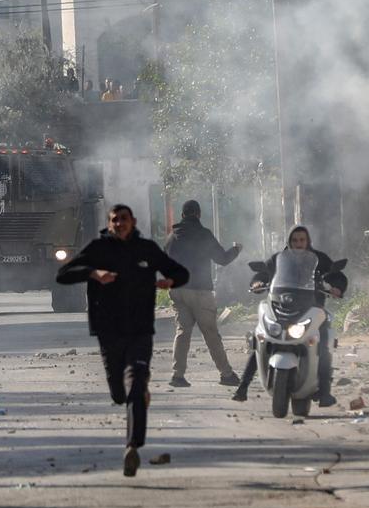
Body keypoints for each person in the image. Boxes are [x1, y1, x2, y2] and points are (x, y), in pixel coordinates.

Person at [56, 204, 189, 476]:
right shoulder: (98, 248)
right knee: (119, 394)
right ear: (109, 223)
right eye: (115, 220)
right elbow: (63, 275)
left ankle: (132, 446)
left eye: (124, 220)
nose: (120, 224)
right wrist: (94, 273)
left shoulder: (147, 249)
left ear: (133, 221)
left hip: (140, 330)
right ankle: (135, 399)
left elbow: (180, 272)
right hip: (108, 330)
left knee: (136, 386)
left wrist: (170, 282)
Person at [239, 226, 348, 407]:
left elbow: (337, 276)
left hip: (312, 309)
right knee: (261, 338)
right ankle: (243, 386)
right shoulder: (279, 259)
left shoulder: (319, 259)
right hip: (280, 307)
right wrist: (257, 282)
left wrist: (336, 287)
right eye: (295, 240)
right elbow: (263, 273)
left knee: (324, 341)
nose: (298, 244)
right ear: (289, 241)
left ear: (308, 241)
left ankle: (324, 391)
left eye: (302, 240)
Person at [163, 200, 241, 388]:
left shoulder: (171, 237)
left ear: (182, 216)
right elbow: (222, 259)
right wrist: (236, 249)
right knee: (211, 333)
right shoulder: (204, 235)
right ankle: (226, 374)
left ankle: (178, 375)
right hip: (200, 291)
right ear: (198, 214)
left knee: (182, 332)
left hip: (178, 291)